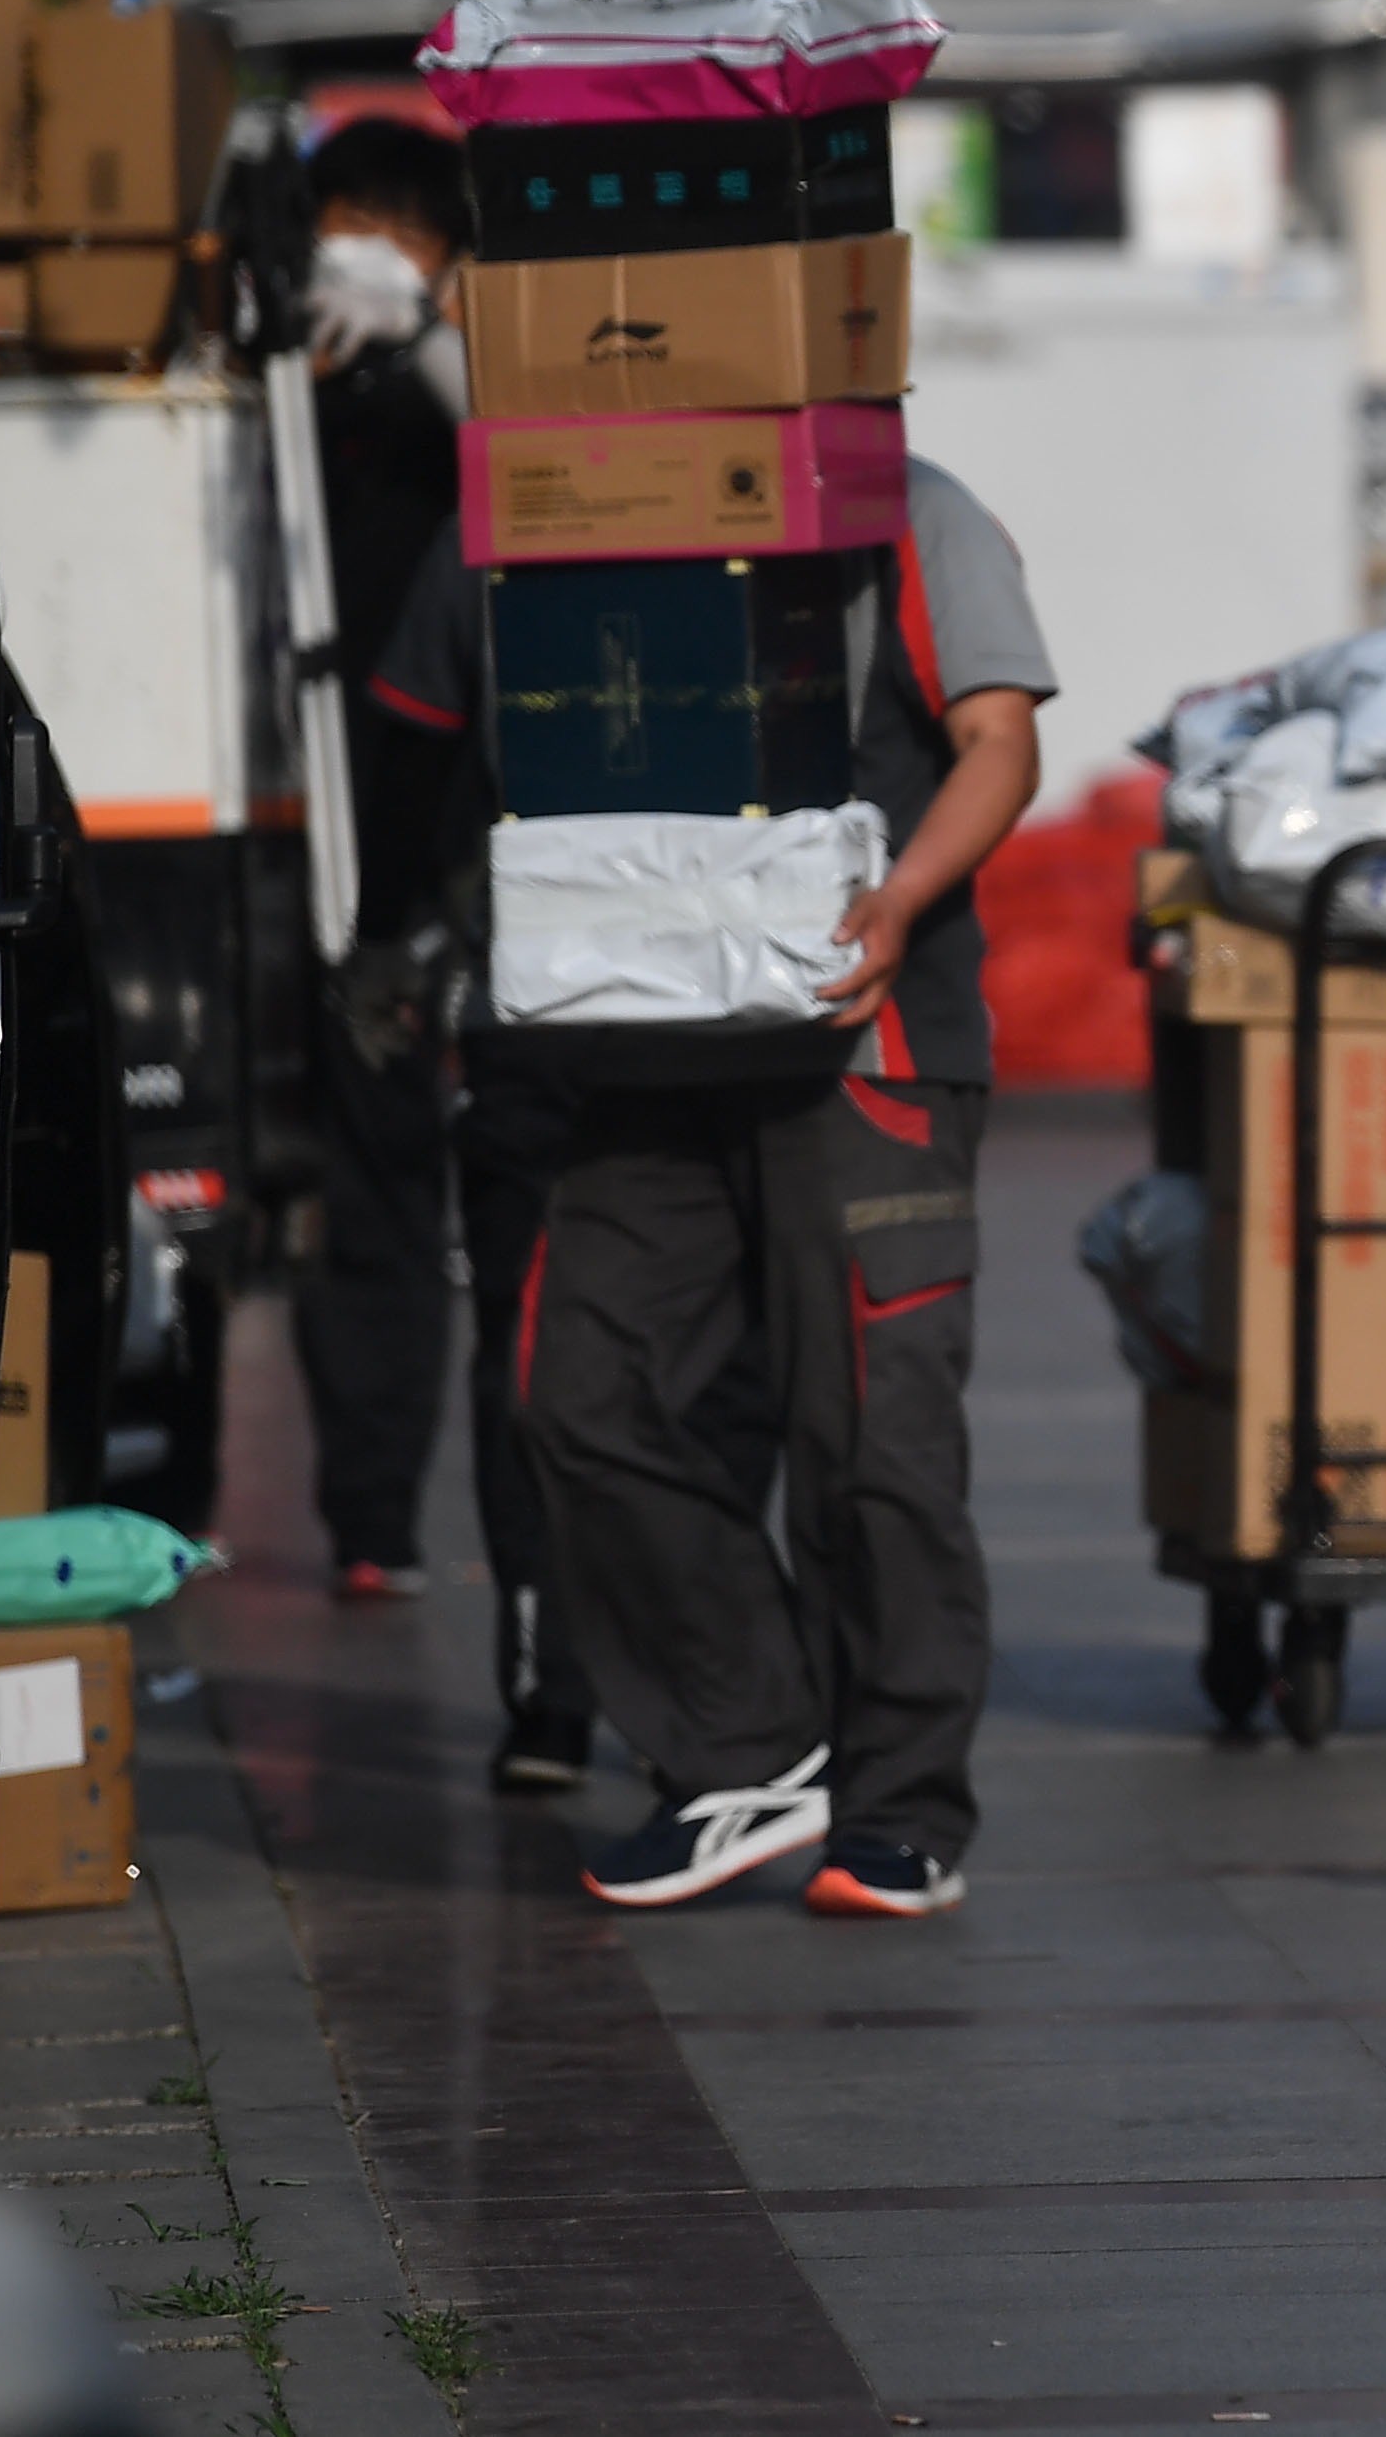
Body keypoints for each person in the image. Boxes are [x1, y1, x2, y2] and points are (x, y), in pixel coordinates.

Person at [369, 458, 1056, 1917]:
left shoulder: (907, 507)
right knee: (570, 1386)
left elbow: (999, 739)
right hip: (643, 1049)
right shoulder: (537, 509)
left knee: (871, 1436)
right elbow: (429, 739)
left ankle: (902, 1806)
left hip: (869, 1043)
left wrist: (906, 898)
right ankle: (751, 1745)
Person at [282, 117, 481, 1604]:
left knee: (385, 1184)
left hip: (407, 857)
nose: (368, 252)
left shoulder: (450, 400)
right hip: (258, 835)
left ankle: (374, 1519)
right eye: (344, 220)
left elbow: (516, 446)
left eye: (398, 232)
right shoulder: (272, 384)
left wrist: (421, 342)